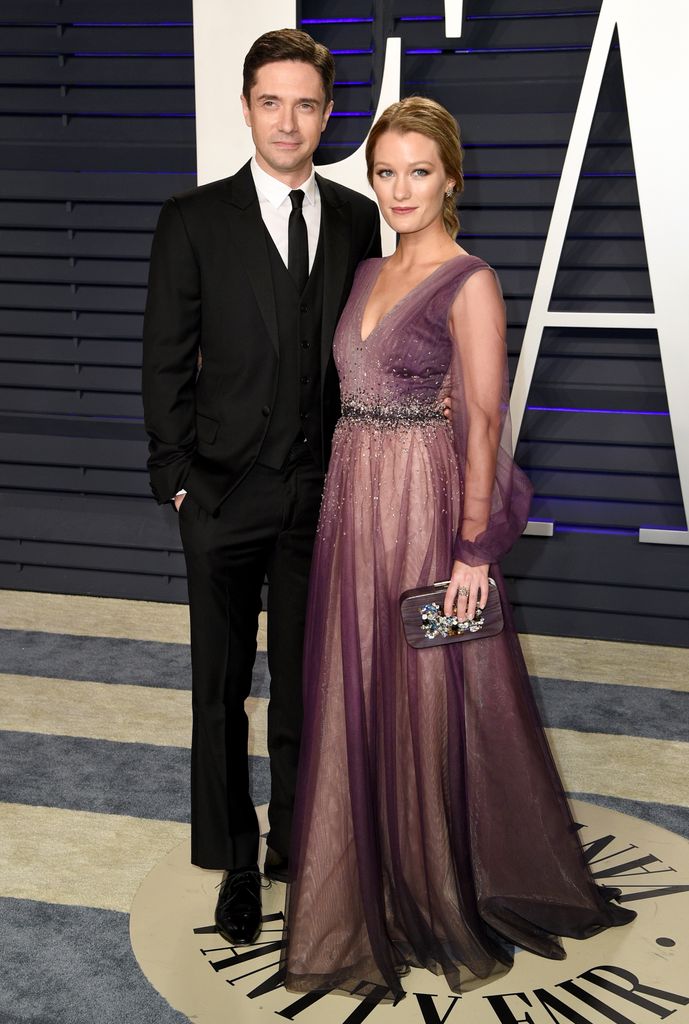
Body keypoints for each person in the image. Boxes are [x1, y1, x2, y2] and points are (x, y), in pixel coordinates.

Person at [281, 97, 635, 1000]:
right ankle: (381, 871)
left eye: (419, 172)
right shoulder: (364, 274)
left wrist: (474, 549)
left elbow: (480, 419)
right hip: (352, 505)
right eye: (385, 171)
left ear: (450, 179)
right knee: (357, 683)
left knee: (434, 691)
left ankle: (438, 879)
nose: (400, 189)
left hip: (424, 509)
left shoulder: (469, 280)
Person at [141, 29, 381, 947]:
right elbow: (164, 360)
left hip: (320, 497)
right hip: (220, 495)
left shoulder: (357, 219)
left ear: (328, 115)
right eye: (271, 101)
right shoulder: (193, 219)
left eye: (307, 104)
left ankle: (295, 845)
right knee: (220, 685)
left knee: (305, 689)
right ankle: (234, 864)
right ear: (246, 107)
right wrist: (176, 480)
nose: (289, 120)